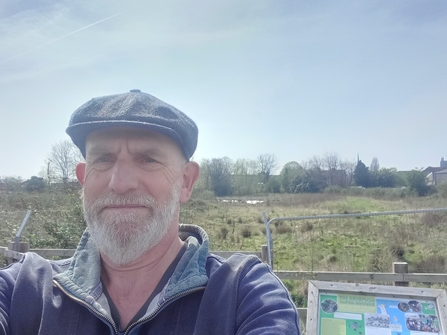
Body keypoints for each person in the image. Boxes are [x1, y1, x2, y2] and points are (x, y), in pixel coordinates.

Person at [0, 89, 301, 334]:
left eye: (148, 159)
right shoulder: (22, 291)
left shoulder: (242, 297)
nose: (120, 183)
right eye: (103, 159)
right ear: (83, 178)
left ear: (186, 181)